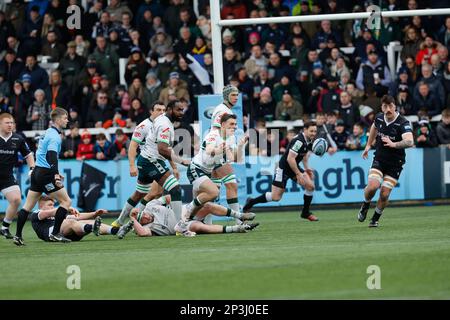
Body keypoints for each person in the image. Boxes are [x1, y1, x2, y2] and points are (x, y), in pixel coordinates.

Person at [112, 101, 190, 232]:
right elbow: (134, 146)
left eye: (162, 109)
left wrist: (174, 166)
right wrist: (131, 165)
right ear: (151, 111)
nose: (161, 112)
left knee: (143, 193)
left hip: (149, 160)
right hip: (150, 161)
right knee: (173, 189)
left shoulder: (162, 122)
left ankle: (121, 222)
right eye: (158, 109)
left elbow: (166, 148)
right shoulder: (149, 125)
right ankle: (180, 226)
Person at [13, 108, 72, 245]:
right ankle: (56, 233)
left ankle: (18, 236)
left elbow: (44, 155)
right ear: (57, 120)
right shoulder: (55, 136)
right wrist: (55, 174)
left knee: (27, 206)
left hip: (37, 173)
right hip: (46, 174)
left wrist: (54, 171)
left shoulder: (47, 132)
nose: (67, 120)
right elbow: (52, 156)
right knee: (66, 202)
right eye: (65, 118)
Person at [243, 121, 320, 222]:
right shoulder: (299, 141)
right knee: (276, 197)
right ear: (305, 130)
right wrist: (298, 174)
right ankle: (251, 202)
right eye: (311, 131)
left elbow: (304, 155)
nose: (313, 133)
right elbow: (290, 159)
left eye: (315, 131)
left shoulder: (309, 140)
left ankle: (305, 213)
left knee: (310, 187)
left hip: (293, 167)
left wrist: (306, 168)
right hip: (283, 168)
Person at [358, 95, 414, 227]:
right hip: (380, 159)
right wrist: (368, 145)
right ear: (382, 107)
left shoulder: (402, 122)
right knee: (372, 186)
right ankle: (365, 204)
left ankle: (375, 218)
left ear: (395, 106)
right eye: (385, 106)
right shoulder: (378, 117)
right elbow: (374, 128)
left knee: (384, 193)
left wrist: (394, 144)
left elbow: (410, 141)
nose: (388, 109)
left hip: (395, 164)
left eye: (390, 106)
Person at [184, 113, 251, 223]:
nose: (234, 126)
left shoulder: (231, 138)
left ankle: (190, 222)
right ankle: (188, 211)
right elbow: (210, 150)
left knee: (203, 203)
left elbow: (234, 158)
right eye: (231, 124)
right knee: (214, 193)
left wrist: (240, 146)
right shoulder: (213, 135)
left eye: (235, 124)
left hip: (206, 171)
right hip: (196, 169)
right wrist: (219, 150)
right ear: (223, 124)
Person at [117, 195, 259, 239]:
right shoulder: (148, 227)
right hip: (183, 227)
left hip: (184, 212)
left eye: (144, 216)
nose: (146, 218)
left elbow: (167, 197)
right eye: (143, 220)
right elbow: (142, 233)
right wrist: (134, 219)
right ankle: (236, 228)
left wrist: (176, 205)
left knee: (207, 205)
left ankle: (239, 215)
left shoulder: (150, 206)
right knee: (200, 227)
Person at [209, 84, 242, 224]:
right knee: (232, 185)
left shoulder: (225, 110)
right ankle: (240, 221)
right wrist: (223, 148)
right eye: (233, 95)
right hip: (218, 152)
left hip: (218, 151)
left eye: (237, 95)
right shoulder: (221, 111)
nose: (236, 98)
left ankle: (205, 221)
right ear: (226, 96)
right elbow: (216, 130)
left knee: (213, 191)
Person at [31, 196, 126, 242]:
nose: (52, 207)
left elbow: (78, 216)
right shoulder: (37, 214)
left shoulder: (57, 214)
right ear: (41, 206)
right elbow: (49, 213)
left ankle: (116, 231)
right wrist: (66, 208)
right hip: (51, 235)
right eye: (50, 205)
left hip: (68, 235)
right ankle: (92, 228)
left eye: (53, 205)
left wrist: (94, 213)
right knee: (70, 222)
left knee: (90, 221)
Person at [0, 113, 35, 239]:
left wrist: (32, 168)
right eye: (7, 123)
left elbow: (28, 154)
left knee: (16, 200)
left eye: (12, 122)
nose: (10, 125)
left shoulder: (18, 138)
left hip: (7, 176)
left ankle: (4, 227)